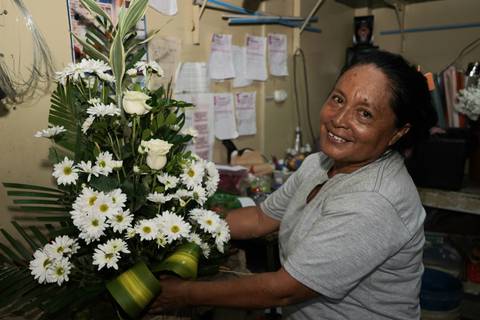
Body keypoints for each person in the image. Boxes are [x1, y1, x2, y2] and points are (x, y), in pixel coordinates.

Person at [149, 50, 437, 319]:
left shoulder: (374, 200)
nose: (339, 119)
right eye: (338, 99)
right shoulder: (320, 163)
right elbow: (261, 218)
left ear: (398, 132)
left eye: (365, 114)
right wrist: (182, 222)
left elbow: (284, 289)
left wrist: (182, 294)